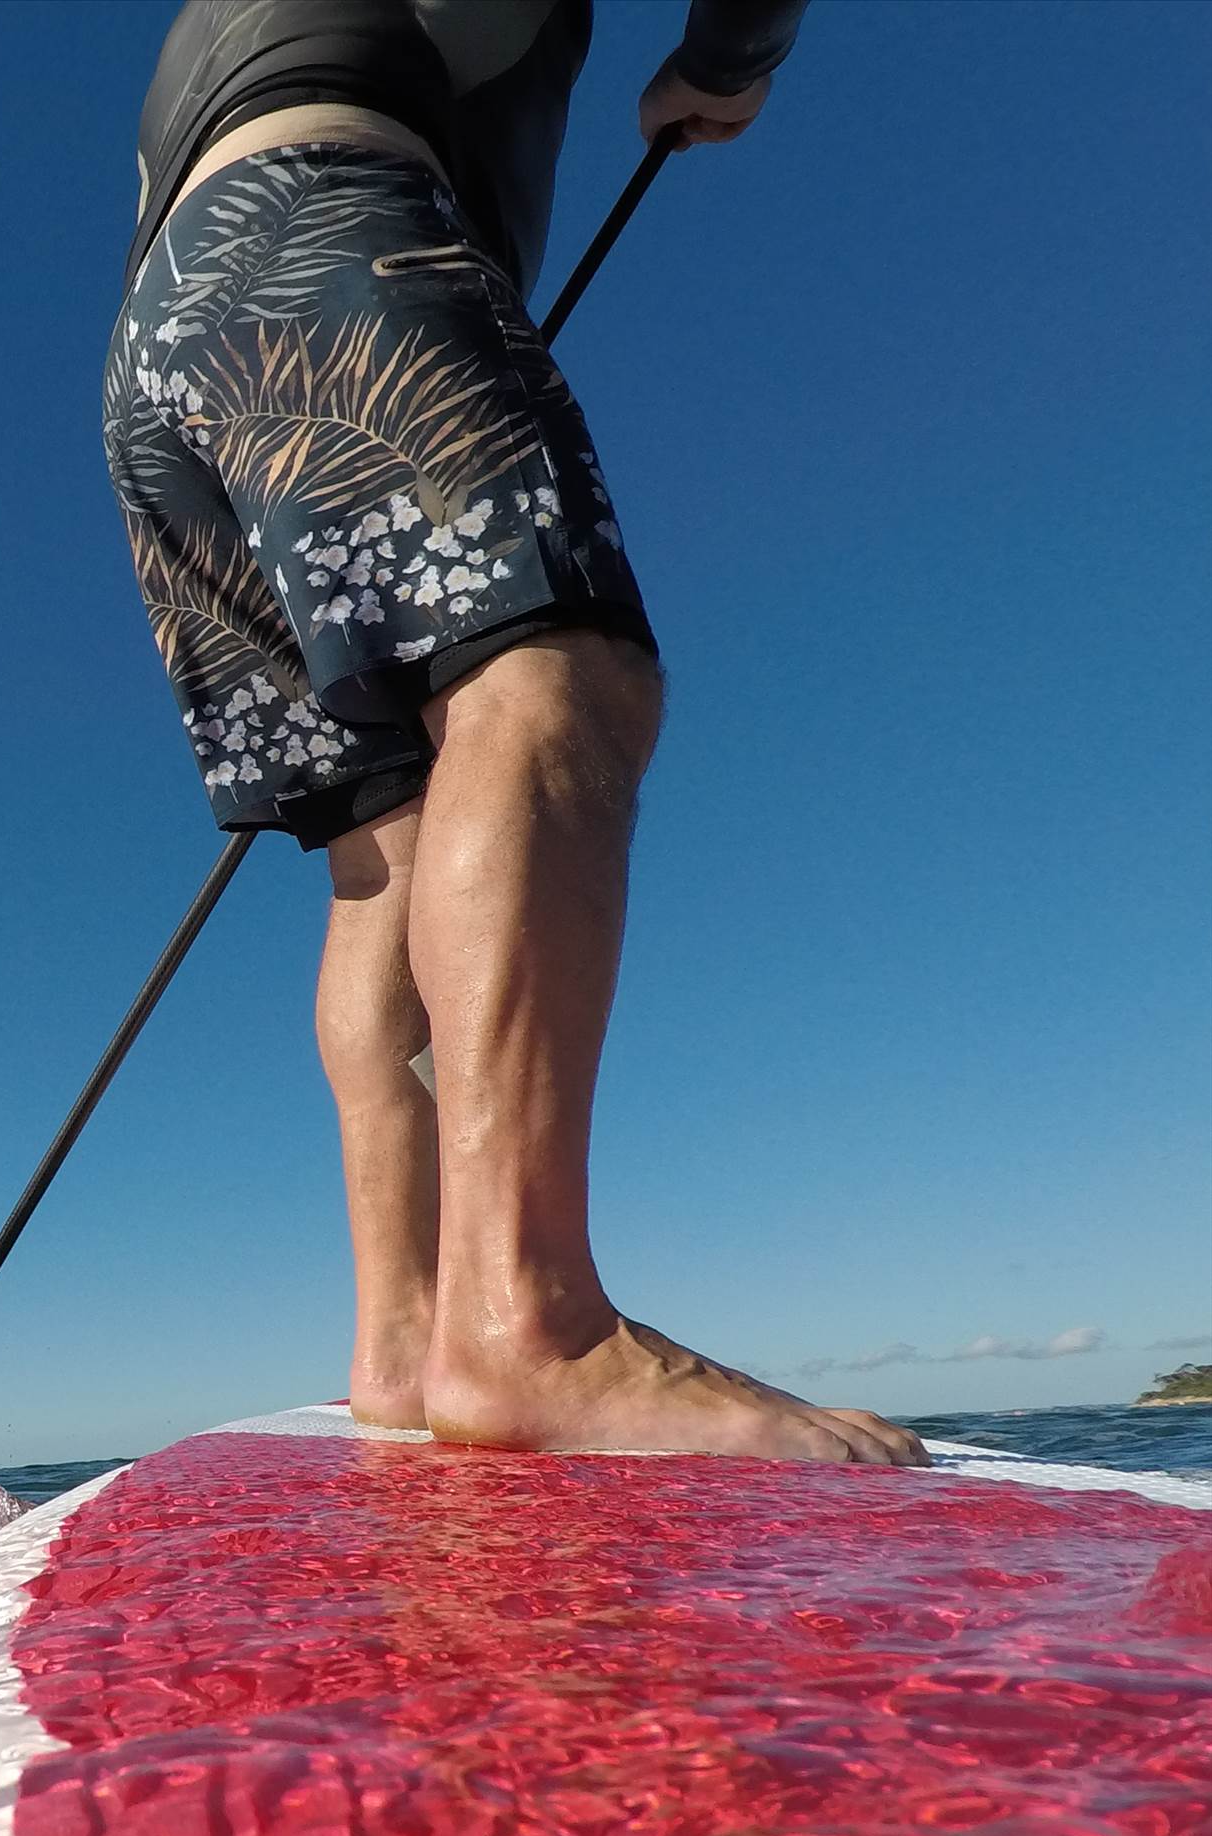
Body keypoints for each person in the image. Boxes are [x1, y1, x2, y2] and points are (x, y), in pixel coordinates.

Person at [107, 1, 923, 1463]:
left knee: (384, 838)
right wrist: (726, 63)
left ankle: (406, 1337)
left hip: (160, 343)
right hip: (332, 221)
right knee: (551, 679)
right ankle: (526, 1325)